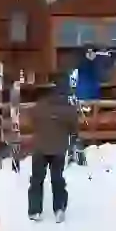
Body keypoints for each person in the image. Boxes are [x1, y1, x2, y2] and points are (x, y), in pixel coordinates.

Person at [27, 76, 80, 222]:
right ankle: (59, 208)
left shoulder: (38, 107)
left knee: (37, 179)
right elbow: (74, 129)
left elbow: (32, 121)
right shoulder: (68, 109)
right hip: (58, 148)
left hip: (40, 148)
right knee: (57, 179)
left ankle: (35, 210)